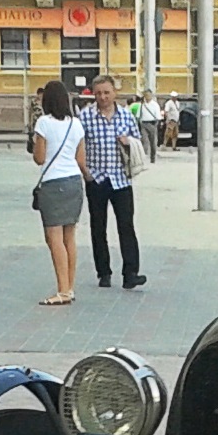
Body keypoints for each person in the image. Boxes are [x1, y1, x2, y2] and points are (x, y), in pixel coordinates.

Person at [78, 74, 148, 291]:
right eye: (98, 93)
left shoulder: (126, 116)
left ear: (114, 93)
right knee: (98, 228)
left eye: (106, 92)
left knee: (126, 226)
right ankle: (104, 272)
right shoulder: (85, 116)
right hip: (96, 179)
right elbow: (78, 145)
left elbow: (139, 142)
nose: (103, 97)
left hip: (121, 179)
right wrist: (86, 173)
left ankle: (131, 273)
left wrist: (129, 142)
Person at [31, 80, 91, 305]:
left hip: (53, 183)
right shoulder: (76, 124)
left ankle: (62, 290)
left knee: (53, 238)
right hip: (74, 181)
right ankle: (70, 287)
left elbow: (39, 157)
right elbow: (81, 159)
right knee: (69, 237)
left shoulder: (43, 123)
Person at [132, 89, 161, 163]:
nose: (147, 97)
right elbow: (138, 115)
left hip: (152, 124)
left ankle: (153, 158)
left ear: (151, 96)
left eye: (148, 95)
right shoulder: (142, 105)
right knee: (144, 141)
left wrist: (155, 125)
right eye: (145, 95)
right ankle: (143, 158)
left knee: (153, 142)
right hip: (144, 124)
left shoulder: (155, 105)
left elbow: (158, 117)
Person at [26, 85, 45, 153]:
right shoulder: (33, 101)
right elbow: (30, 112)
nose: (41, 95)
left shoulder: (45, 101)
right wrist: (29, 122)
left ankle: (40, 149)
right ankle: (35, 149)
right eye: (40, 94)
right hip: (35, 120)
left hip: (42, 120)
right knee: (34, 135)